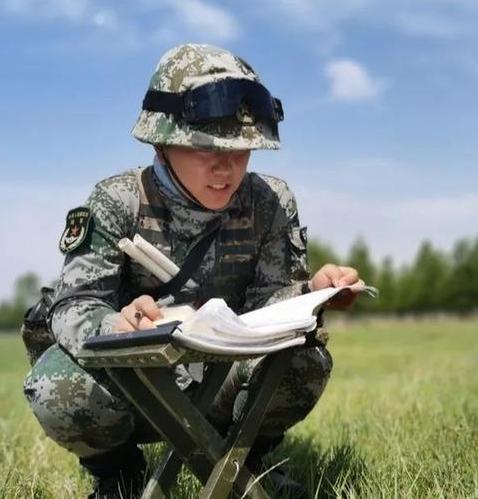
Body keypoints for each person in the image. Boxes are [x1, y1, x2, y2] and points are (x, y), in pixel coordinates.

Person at [23, 43, 362, 499]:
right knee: (57, 384)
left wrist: (311, 293)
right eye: (206, 148)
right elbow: (73, 305)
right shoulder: (118, 200)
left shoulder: (270, 201)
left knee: (304, 362)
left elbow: (269, 306)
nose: (227, 167)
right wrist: (116, 324)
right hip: (136, 383)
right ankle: (119, 476)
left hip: (225, 376)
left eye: (242, 150)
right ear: (161, 143)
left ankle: (245, 462)